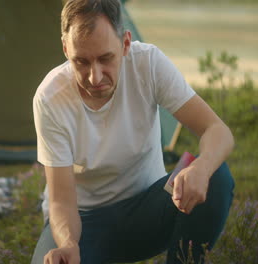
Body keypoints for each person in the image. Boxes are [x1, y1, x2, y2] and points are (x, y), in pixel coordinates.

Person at [31, 0, 235, 263]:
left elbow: (217, 130)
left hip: (150, 208)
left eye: (106, 59)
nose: (95, 77)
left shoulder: (148, 63)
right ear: (65, 48)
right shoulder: (50, 98)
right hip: (84, 223)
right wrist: (69, 244)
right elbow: (61, 202)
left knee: (217, 174)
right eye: (80, 62)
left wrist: (202, 167)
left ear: (125, 43)